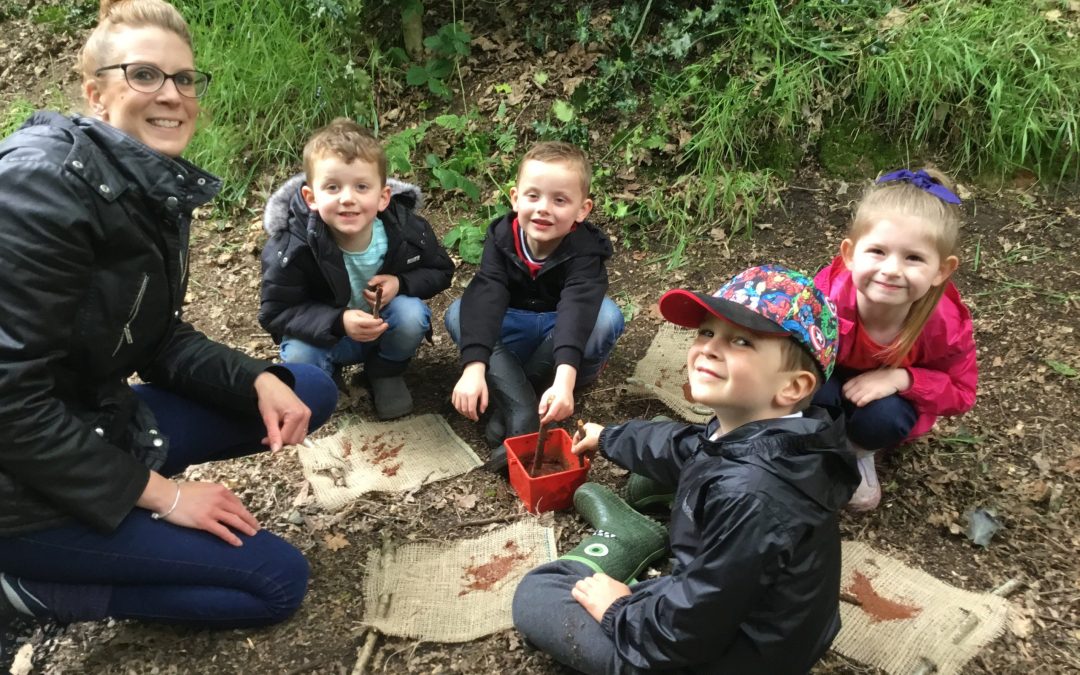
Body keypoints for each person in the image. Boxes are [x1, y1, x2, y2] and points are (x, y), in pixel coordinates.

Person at [0, 0, 338, 657]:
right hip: (21, 491)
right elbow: (9, 405)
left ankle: (127, 522)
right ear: (96, 95)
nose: (172, 95)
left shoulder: (133, 178)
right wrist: (167, 496)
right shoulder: (37, 191)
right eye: (145, 75)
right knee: (276, 582)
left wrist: (254, 379)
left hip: (93, 421)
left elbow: (151, 338)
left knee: (305, 389)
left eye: (184, 79)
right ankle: (26, 587)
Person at [512, 265, 860, 674]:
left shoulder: (752, 495)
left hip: (730, 656)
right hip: (751, 619)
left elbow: (686, 632)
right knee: (672, 446)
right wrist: (609, 438)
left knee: (538, 592)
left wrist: (618, 609)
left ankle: (627, 543)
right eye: (707, 332)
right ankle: (643, 550)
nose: (709, 348)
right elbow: (685, 446)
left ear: (793, 387)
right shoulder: (781, 438)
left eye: (742, 341)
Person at [445, 141, 624, 471]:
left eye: (560, 200)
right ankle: (523, 408)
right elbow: (487, 295)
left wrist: (565, 380)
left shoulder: (586, 249)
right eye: (533, 196)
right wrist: (473, 367)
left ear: (582, 210)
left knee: (606, 316)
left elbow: (577, 308)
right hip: (515, 327)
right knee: (459, 313)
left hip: (560, 335)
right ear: (515, 198)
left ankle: (525, 394)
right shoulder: (502, 237)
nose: (544, 208)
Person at [259, 118, 453, 420]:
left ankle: (385, 372)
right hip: (324, 337)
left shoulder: (405, 231)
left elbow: (441, 270)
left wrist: (400, 283)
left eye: (361, 187)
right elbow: (275, 312)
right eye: (332, 187)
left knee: (412, 314)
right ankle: (325, 378)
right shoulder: (292, 246)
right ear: (311, 197)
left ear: (383, 197)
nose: (347, 198)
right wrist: (338, 321)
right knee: (298, 353)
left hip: (381, 329)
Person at [813, 168, 977, 511]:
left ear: (941, 270)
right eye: (877, 251)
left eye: (913, 258)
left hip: (884, 401)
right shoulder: (826, 297)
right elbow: (792, 345)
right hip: (831, 376)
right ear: (849, 254)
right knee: (806, 383)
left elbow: (962, 392)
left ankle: (857, 452)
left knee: (885, 418)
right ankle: (816, 444)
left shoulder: (943, 325)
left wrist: (904, 379)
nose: (891, 269)